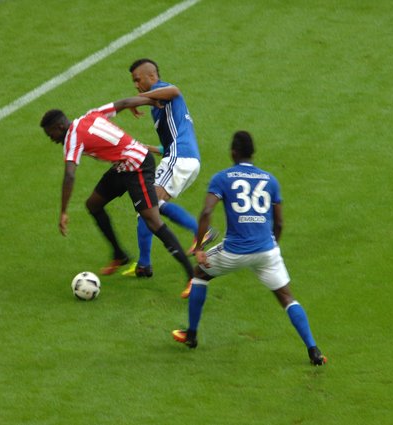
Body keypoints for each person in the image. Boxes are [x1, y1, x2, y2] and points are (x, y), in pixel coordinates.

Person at [172, 130, 327, 366]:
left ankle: (191, 335)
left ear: (233, 152)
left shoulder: (222, 178)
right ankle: (313, 349)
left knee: (200, 273)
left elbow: (206, 212)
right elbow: (280, 222)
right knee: (286, 297)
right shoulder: (270, 180)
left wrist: (200, 247)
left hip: (234, 251)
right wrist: (272, 247)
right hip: (267, 251)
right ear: (253, 153)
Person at [39, 96, 194, 295]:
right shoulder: (90, 115)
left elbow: (69, 175)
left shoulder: (72, 139)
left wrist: (63, 212)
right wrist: (148, 101)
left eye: (50, 133)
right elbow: (123, 103)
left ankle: (192, 276)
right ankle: (119, 255)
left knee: (153, 221)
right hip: (123, 166)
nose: (51, 139)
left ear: (59, 127)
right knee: (93, 204)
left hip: (137, 166)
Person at [120, 59, 217, 295]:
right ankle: (144, 265)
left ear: (151, 76)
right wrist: (145, 148)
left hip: (180, 158)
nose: (136, 85)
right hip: (183, 158)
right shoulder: (159, 106)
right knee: (146, 209)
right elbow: (168, 145)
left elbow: (175, 90)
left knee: (149, 203)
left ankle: (200, 231)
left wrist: (137, 99)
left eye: (137, 79)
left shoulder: (162, 89)